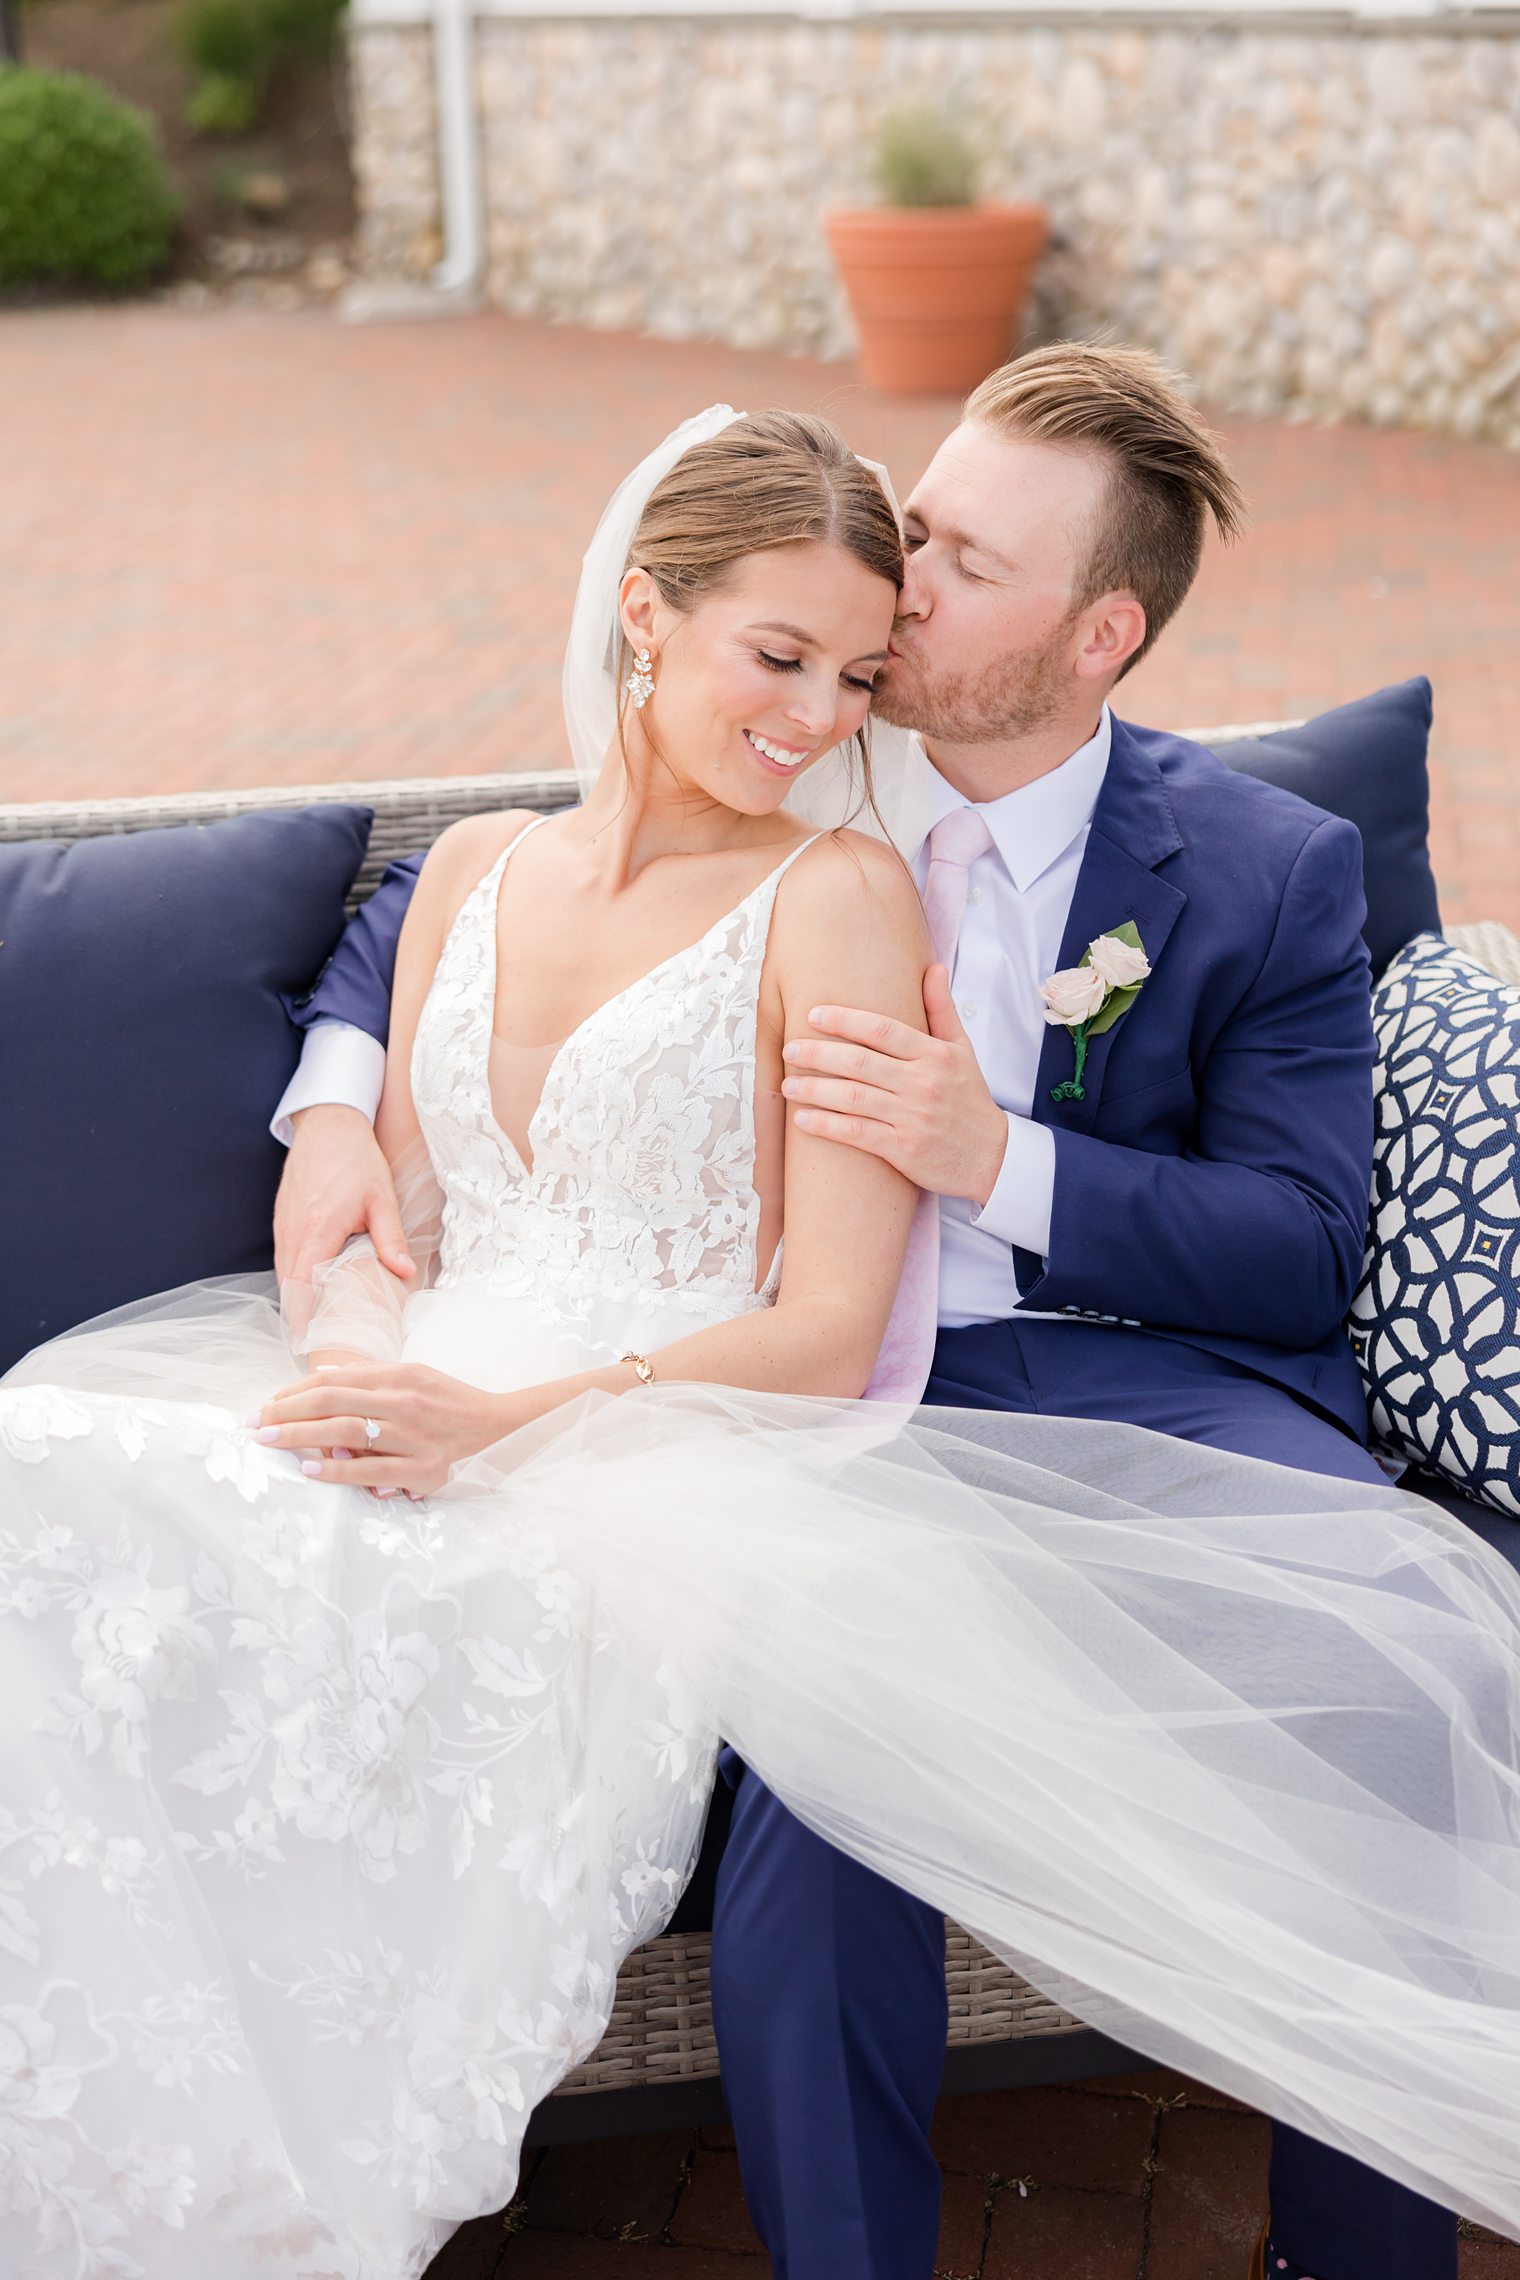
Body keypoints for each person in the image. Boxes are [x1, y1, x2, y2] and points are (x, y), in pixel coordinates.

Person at [4, 399, 1520, 2280]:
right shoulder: (809, 754)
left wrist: (1002, 1158)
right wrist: (333, 1100)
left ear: (1098, 635)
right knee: (825, 1818)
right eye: (919, 522)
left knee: (1388, 1677)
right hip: (793, 1417)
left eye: (963, 565)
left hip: (1110, 1362)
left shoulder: (1263, 862)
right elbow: (445, 895)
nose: (904, 576)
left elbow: (1299, 1251)